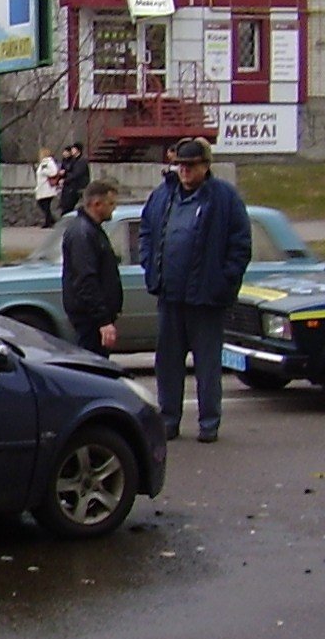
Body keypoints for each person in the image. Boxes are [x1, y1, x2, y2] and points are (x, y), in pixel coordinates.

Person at [138, 137, 252, 444]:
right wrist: (151, 267)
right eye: (181, 165)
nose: (185, 171)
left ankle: (209, 423)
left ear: (205, 166)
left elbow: (240, 246)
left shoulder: (224, 199)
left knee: (207, 366)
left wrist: (224, 281)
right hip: (170, 297)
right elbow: (146, 232)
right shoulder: (164, 195)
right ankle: (169, 420)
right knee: (168, 365)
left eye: (191, 166)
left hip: (206, 300)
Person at [62, 179, 123, 356]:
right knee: (92, 365)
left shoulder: (91, 230)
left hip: (93, 317)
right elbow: (86, 279)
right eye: (111, 203)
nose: (114, 208)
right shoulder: (83, 233)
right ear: (97, 204)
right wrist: (103, 320)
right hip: (90, 319)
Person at [58, 142, 91, 216]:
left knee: (69, 206)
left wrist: (65, 180)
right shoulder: (73, 160)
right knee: (66, 205)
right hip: (71, 187)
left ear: (78, 150)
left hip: (77, 187)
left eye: (73, 149)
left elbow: (76, 174)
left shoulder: (81, 161)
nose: (72, 150)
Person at [33, 147, 62, 228]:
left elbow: (54, 172)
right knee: (43, 204)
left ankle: (49, 221)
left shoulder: (48, 162)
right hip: (42, 187)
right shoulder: (43, 163)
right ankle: (51, 220)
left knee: (45, 205)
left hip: (47, 188)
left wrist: (45, 172)